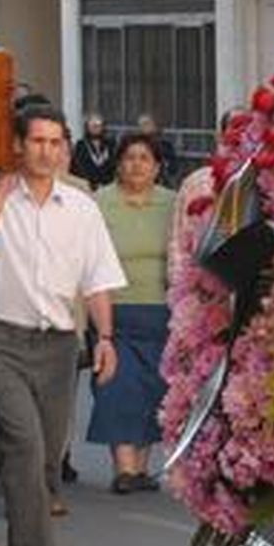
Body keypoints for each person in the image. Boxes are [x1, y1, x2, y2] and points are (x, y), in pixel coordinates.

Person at [0, 106, 126, 546]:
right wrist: (4, 184)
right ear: (17, 145)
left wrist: (106, 339)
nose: (46, 152)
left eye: (56, 143)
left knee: (47, 460)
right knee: (24, 443)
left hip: (56, 344)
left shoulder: (81, 208)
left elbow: (97, 280)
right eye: (36, 141)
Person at [89, 135, 174, 491]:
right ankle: (124, 470)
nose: (136, 165)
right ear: (118, 163)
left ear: (157, 166)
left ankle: (139, 469)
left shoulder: (173, 204)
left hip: (162, 311)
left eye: (144, 158)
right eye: (129, 158)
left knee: (152, 389)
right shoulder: (99, 203)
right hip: (114, 310)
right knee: (118, 387)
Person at [70, 112, 116, 189]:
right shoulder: (81, 145)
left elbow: (114, 164)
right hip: (87, 185)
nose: (95, 128)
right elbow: (77, 166)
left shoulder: (110, 145)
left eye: (98, 125)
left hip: (107, 185)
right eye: (92, 125)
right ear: (87, 127)